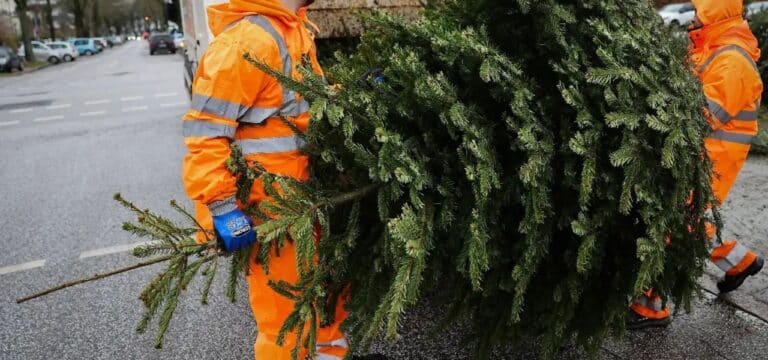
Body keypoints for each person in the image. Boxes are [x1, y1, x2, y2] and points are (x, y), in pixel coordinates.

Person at [181, 1, 386, 358]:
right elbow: (206, 135)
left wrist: (352, 95)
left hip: (308, 199)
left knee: (328, 309)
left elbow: (300, 106)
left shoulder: (294, 30)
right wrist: (222, 206)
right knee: (287, 325)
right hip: (274, 213)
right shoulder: (247, 41)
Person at [629, 0, 764, 330]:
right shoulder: (709, 47)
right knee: (688, 221)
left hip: (712, 159)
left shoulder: (733, 60)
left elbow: (701, 115)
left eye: (701, 5)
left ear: (716, 9)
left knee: (672, 223)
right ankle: (740, 262)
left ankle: (650, 306)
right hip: (696, 153)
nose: (694, 11)